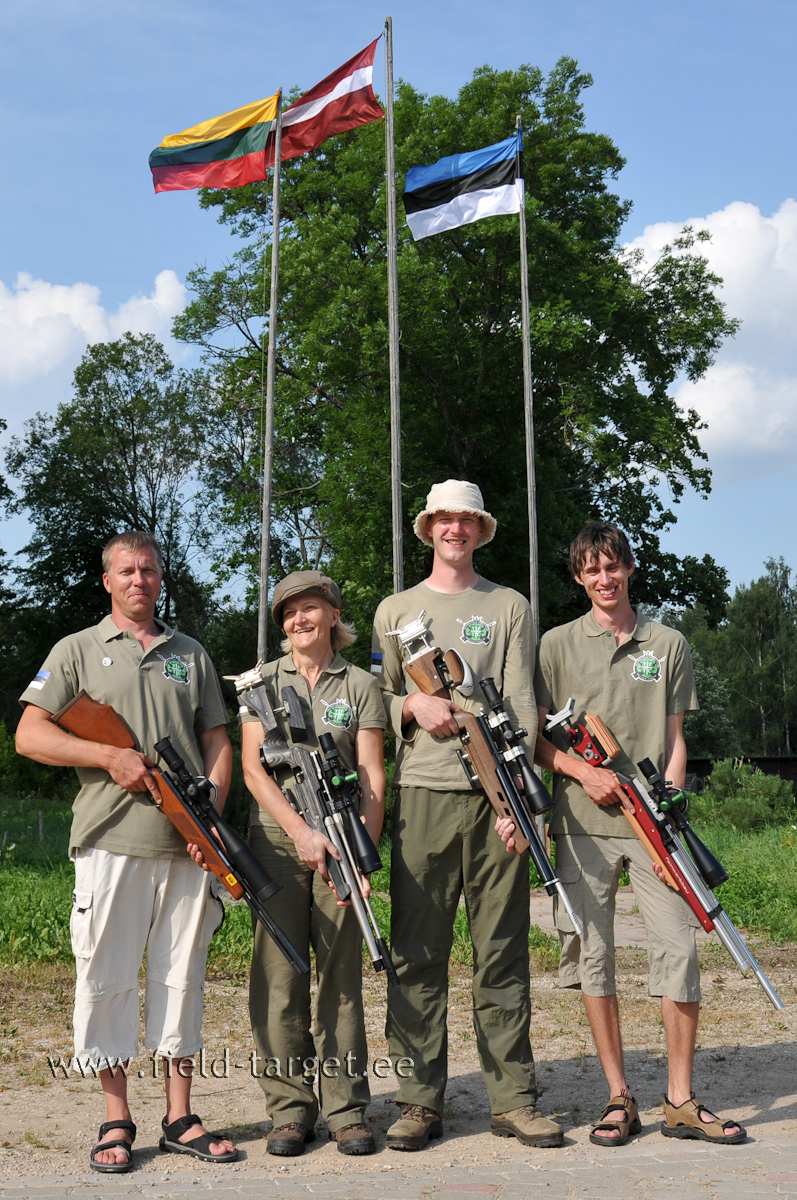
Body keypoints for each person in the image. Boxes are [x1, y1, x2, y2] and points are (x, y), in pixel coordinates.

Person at [15, 531, 237, 1173]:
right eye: (126, 571)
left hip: (187, 846)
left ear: (161, 578)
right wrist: (107, 754)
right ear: (106, 580)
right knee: (107, 980)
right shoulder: (77, 650)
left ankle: (180, 1116)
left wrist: (211, 819)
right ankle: (116, 1120)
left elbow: (216, 740)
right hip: (110, 841)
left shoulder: (189, 653)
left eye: (149, 570)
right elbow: (30, 735)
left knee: (182, 978)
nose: (139, 579)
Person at [530, 520, 745, 1146]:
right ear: (578, 577)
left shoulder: (668, 643)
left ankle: (680, 1099)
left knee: (678, 950)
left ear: (628, 570)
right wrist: (578, 771)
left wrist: (669, 805)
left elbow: (675, 737)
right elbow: (535, 740)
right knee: (594, 957)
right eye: (592, 570)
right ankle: (618, 1096)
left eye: (613, 567)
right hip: (582, 825)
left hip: (653, 824)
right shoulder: (555, 646)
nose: (604, 579)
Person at [371, 480, 563, 1151]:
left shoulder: (508, 606)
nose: (454, 530)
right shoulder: (394, 609)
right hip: (421, 793)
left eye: (466, 521)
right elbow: (379, 694)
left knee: (502, 954)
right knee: (417, 954)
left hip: (495, 800)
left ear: (480, 531)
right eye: (443, 520)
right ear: (428, 529)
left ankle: (511, 1099)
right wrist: (408, 708)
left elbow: (520, 705)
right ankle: (419, 1100)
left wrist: (519, 802)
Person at [240, 570, 386, 1157]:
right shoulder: (260, 685)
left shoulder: (362, 686)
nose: (300, 620)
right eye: (289, 613)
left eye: (310, 608)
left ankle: (348, 1109)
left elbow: (374, 774)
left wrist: (362, 851)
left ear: (332, 614)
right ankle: (289, 1110)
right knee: (279, 978)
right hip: (278, 843)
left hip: (342, 842)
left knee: (342, 982)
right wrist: (301, 832)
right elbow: (254, 770)